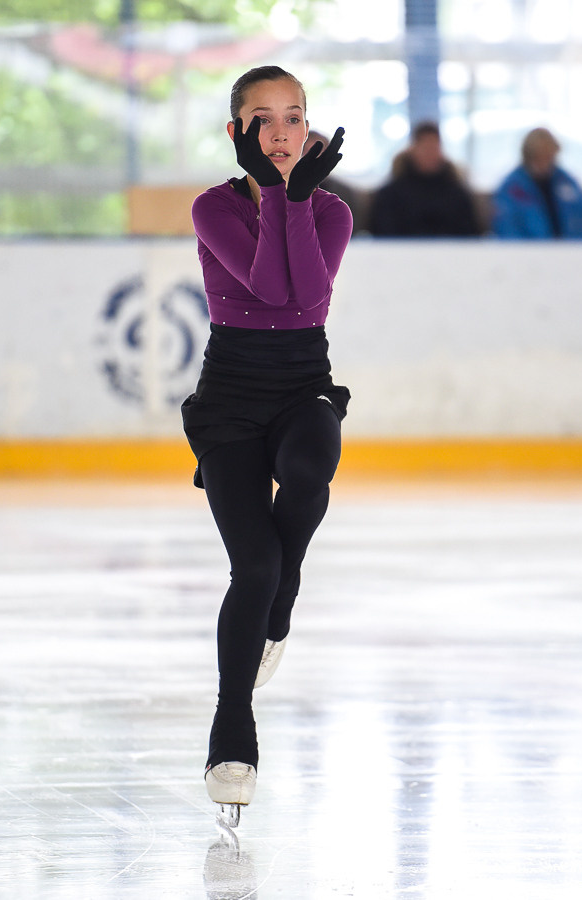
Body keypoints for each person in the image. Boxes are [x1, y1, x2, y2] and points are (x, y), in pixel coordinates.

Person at [181, 66, 352, 823]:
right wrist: (284, 198)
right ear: (236, 132)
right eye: (263, 119)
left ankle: (284, 602)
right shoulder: (213, 207)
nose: (281, 133)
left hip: (302, 385)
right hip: (230, 401)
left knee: (311, 468)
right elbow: (264, 285)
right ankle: (232, 731)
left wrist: (297, 198)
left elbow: (301, 301)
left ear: (310, 129)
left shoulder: (334, 213)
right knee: (252, 563)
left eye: (294, 117)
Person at [367, 120, 482, 237]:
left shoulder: (457, 194)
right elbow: (381, 232)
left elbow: (470, 234)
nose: (429, 153)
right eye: (425, 147)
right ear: (413, 149)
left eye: (434, 147)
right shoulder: (390, 194)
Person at [492, 127, 582, 239]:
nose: (544, 163)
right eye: (539, 157)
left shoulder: (567, 183)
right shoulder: (511, 188)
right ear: (528, 156)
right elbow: (507, 231)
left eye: (549, 157)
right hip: (528, 252)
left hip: (568, 251)